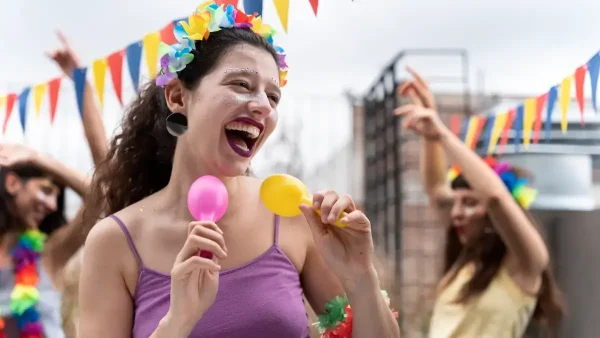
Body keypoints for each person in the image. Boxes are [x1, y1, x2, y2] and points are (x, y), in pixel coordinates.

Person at [78, 2, 400, 338]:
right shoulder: (114, 242)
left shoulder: (293, 214)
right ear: (177, 97)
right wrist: (177, 321)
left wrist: (361, 278)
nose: (262, 105)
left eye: (273, 97)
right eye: (241, 85)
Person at [395, 68, 564, 337]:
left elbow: (496, 198)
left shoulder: (525, 264)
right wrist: (429, 132)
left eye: (470, 202)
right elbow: (438, 191)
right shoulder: (466, 263)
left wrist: (443, 134)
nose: (457, 212)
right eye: (457, 202)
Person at [44, 30, 109, 338]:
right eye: (43, 189)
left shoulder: (49, 254)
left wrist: (79, 80)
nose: (48, 203)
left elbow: (107, 182)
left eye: (53, 194)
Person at [0, 143, 89, 338]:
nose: (52, 206)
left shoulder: (51, 252)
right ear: (12, 184)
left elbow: (99, 195)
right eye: (46, 190)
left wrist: (37, 159)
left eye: (57, 198)